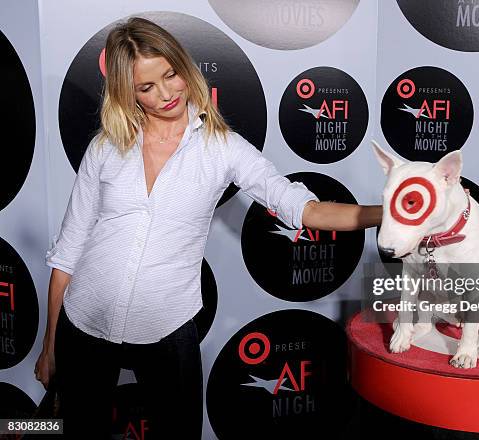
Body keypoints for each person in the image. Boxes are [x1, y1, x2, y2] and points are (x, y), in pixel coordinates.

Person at [34, 17, 381, 439]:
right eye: (147, 87)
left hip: (167, 330)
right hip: (83, 321)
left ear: (184, 66)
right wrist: (51, 343)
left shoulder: (223, 149)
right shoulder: (106, 145)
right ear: (129, 93)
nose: (166, 94)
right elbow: (70, 249)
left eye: (170, 75)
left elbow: (305, 211)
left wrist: (391, 213)